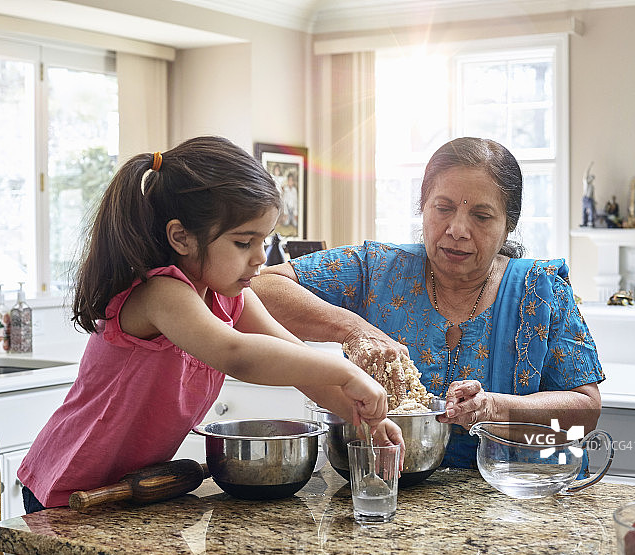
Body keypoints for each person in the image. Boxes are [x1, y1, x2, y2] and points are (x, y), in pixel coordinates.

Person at [16, 136, 402, 512]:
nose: (259, 259)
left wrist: (367, 421)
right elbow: (238, 356)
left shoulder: (230, 295)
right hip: (68, 490)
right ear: (181, 237)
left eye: (264, 241)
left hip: (132, 491)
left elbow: (296, 360)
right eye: (242, 242)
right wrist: (347, 371)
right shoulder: (160, 294)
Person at [252, 137, 603, 469]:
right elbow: (260, 287)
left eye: (481, 216)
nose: (457, 229)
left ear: (509, 225)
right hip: (388, 487)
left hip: (517, 496)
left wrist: (494, 406)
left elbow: (585, 409)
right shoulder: (375, 269)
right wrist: (353, 329)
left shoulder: (542, 291)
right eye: (443, 208)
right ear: (423, 207)